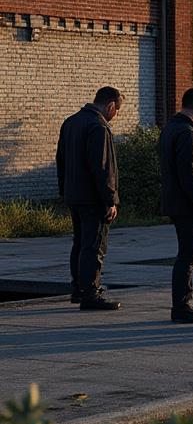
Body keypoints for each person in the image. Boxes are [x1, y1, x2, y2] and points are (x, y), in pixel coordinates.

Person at [56, 86, 123, 311]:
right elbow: (103, 168)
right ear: (110, 105)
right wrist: (109, 200)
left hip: (74, 194)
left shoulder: (71, 122)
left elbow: (61, 160)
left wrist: (65, 191)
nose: (115, 116)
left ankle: (78, 288)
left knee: (80, 243)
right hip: (93, 197)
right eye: (116, 111)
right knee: (94, 245)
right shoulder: (98, 127)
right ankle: (91, 293)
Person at [159, 87, 193, 324]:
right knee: (189, 255)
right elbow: (190, 173)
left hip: (173, 200)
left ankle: (181, 304)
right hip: (186, 204)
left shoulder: (170, 128)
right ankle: (182, 305)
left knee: (186, 253)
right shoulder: (189, 133)